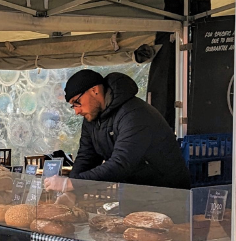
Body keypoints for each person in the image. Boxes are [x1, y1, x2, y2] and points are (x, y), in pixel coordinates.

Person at [45, 69, 190, 192]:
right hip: (132, 192)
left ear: (94, 90)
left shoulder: (134, 114)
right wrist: (71, 193)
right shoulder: (92, 118)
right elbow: (86, 157)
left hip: (167, 193)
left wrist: (72, 184)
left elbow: (121, 163)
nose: (76, 111)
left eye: (77, 103)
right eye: (73, 106)